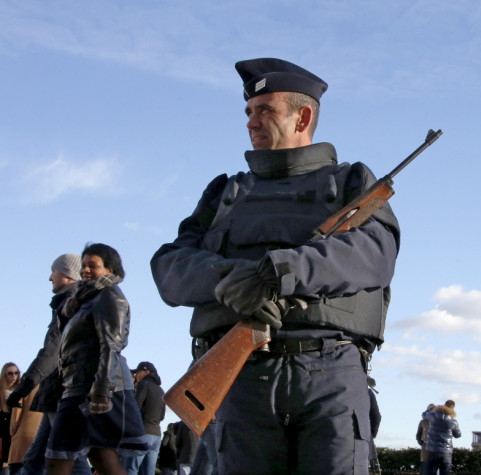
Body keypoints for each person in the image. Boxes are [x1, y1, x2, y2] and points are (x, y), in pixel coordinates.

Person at [150, 57, 400, 474]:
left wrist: (278, 272)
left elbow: (374, 253)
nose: (251, 121)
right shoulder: (223, 192)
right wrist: (230, 281)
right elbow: (169, 267)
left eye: (265, 109)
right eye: (248, 111)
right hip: (237, 378)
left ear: (303, 116)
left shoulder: (353, 183)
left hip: (330, 377)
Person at [45, 243, 147, 475]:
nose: (85, 270)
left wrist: (101, 391)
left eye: (93, 265)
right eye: (84, 265)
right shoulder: (85, 299)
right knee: (101, 457)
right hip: (78, 385)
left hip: (97, 388)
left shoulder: (110, 297)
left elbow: (111, 345)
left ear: (110, 270)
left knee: (58, 459)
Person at [6, 254, 92, 475]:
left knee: (71, 457)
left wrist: (22, 389)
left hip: (63, 391)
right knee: (35, 458)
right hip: (58, 391)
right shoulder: (75, 301)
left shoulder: (69, 305)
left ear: (66, 274)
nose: (49, 278)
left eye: (53, 271)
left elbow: (51, 353)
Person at [123, 362, 165, 475]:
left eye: (138, 372)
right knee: (148, 472)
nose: (136, 375)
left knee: (131, 470)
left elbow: (135, 408)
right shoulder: (161, 390)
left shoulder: (144, 385)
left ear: (147, 372)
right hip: (156, 436)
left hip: (142, 434)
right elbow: (162, 416)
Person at [7, 382, 42, 475]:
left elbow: (15, 418)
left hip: (22, 442)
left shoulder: (25, 387)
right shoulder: (49, 386)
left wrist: (12, 432)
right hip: (41, 441)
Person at [421, 400, 461, 475]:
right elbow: (458, 435)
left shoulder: (432, 417)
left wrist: (433, 408)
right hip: (446, 452)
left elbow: (424, 414)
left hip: (432, 450)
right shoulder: (453, 421)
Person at [1, 363, 21, 472]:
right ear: (4, 375)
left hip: (16, 429)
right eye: (10, 373)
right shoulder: (1, 392)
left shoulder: (21, 391)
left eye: (16, 373)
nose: (14, 376)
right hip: (4, 431)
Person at [416, 403, 435, 473]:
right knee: (425, 467)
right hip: (425, 447)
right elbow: (418, 434)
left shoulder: (437, 422)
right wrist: (421, 442)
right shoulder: (422, 422)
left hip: (435, 447)